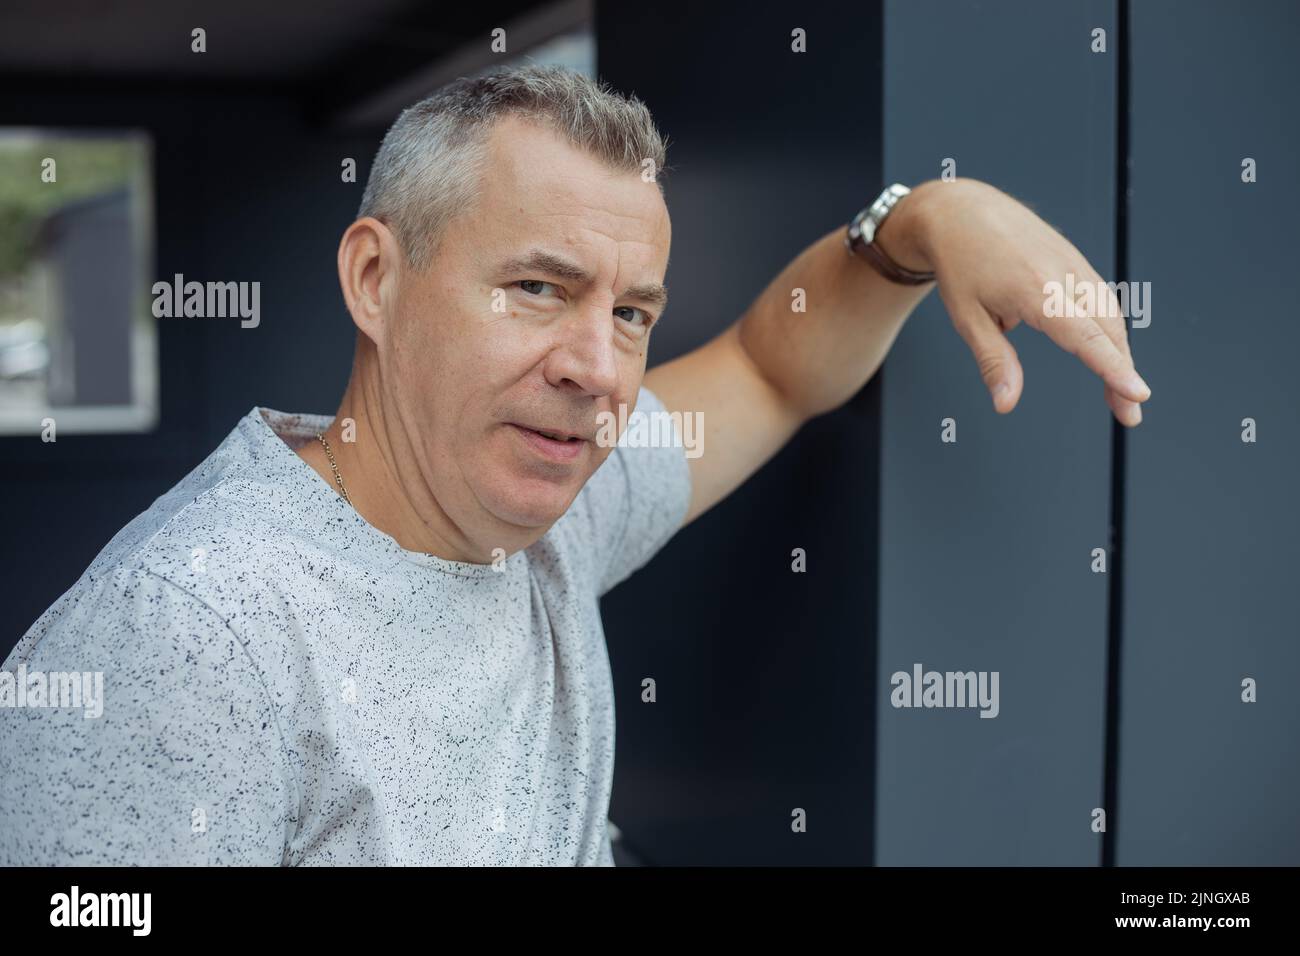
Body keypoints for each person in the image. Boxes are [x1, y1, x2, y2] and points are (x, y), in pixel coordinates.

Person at [0, 64, 1150, 865]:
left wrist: (927, 219)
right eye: (538, 288)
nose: (599, 368)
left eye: (634, 311)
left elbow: (765, 365)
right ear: (374, 281)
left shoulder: (549, 503)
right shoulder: (186, 634)